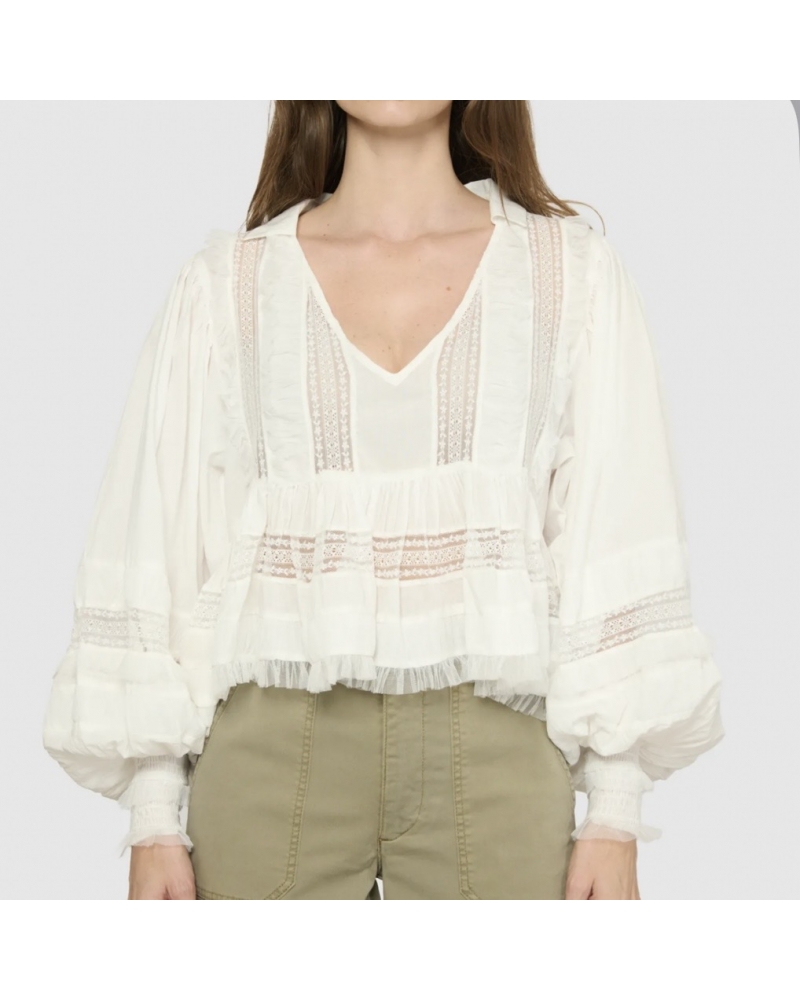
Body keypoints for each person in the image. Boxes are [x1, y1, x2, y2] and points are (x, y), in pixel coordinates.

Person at [42, 100, 724, 900]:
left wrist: (614, 808)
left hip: (498, 757)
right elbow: (161, 533)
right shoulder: (229, 286)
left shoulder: (569, 276)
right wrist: (155, 812)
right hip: (271, 751)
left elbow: (615, 522)